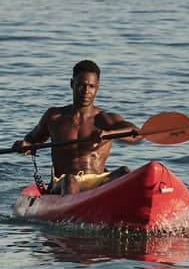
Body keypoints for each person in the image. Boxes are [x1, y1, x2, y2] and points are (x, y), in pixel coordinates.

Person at [12, 59, 143, 194]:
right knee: (70, 180)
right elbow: (32, 139)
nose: (86, 91)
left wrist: (108, 133)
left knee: (124, 172)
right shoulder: (54, 117)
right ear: (72, 84)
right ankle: (72, 211)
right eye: (81, 85)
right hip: (63, 183)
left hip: (97, 181)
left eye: (91, 86)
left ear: (97, 87)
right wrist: (24, 145)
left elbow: (137, 133)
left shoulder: (106, 119)